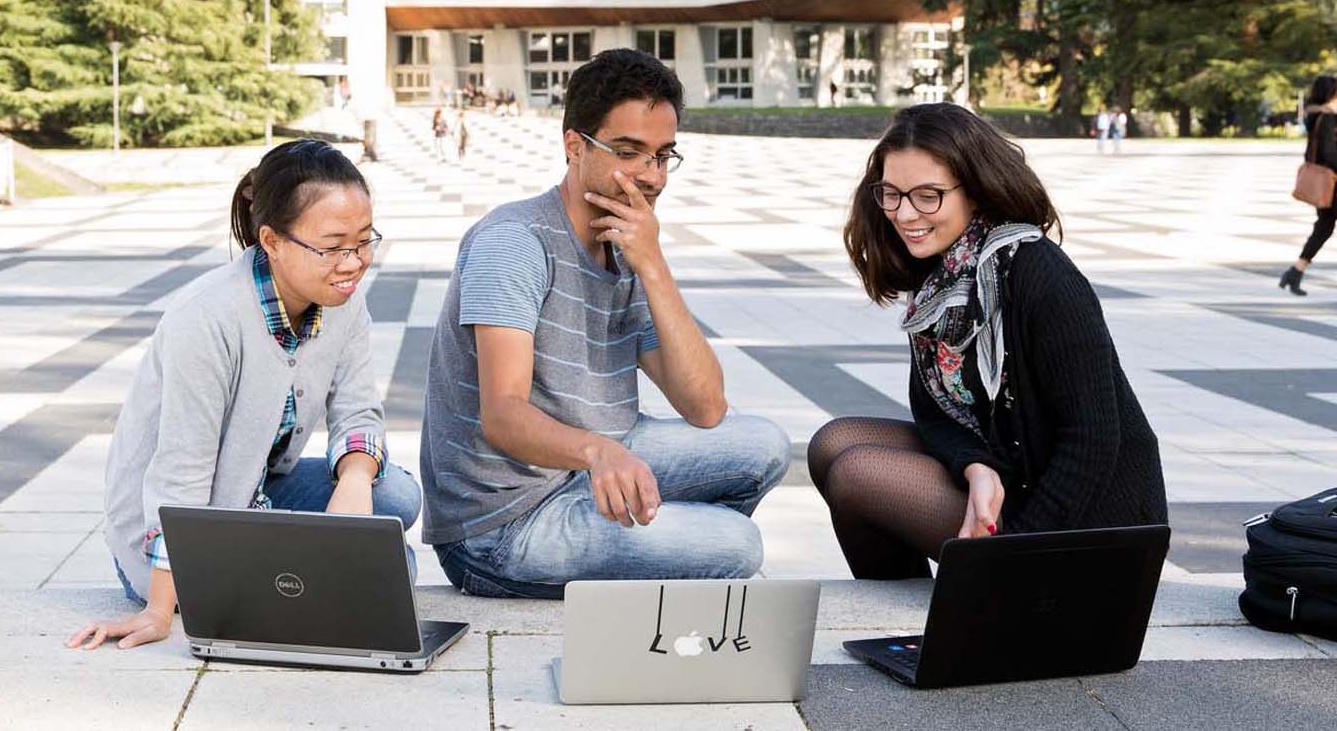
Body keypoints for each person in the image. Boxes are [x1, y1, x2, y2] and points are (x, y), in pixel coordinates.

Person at [420, 48, 790, 598]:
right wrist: (599, 452)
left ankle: (645, 557)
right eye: (629, 152)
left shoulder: (628, 243)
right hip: (501, 526)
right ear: (574, 146)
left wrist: (654, 266)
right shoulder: (514, 244)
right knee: (737, 547)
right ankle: (653, 565)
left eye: (663, 156)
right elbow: (502, 415)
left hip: (584, 470)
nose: (651, 176)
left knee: (765, 447)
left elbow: (706, 407)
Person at [70, 139, 421, 650]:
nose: (354, 262)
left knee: (394, 496)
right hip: (175, 531)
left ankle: (306, 573)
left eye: (365, 241)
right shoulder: (208, 318)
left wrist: (354, 482)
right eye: (333, 245)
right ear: (272, 240)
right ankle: (300, 578)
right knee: (393, 567)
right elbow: (180, 473)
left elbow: (358, 409)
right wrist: (158, 612)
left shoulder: (340, 299)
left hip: (252, 491)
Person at [807, 103, 1166, 580]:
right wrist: (974, 465)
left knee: (858, 473)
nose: (904, 214)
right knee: (833, 443)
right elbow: (934, 410)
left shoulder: (1037, 271)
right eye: (891, 194)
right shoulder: (946, 274)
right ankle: (902, 618)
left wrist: (1016, 556)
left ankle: (977, 608)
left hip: (1087, 524)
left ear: (974, 190)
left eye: (928, 196)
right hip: (1013, 479)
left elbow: (1094, 438)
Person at [1280, 75, 1337, 295]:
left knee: (1324, 227)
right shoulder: (1328, 117)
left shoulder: (1315, 116)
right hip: (1333, 182)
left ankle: (1295, 272)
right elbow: (1329, 153)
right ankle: (1294, 272)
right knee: (1323, 227)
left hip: (1325, 184)